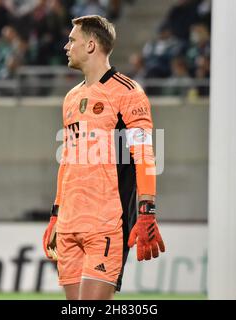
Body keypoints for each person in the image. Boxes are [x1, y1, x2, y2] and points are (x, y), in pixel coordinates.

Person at [42, 15, 165, 300]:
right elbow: (68, 160)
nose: (66, 46)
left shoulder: (128, 93)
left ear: (91, 45)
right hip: (70, 221)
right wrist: (56, 214)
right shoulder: (71, 98)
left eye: (72, 40)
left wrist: (147, 211)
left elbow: (144, 155)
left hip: (106, 221)